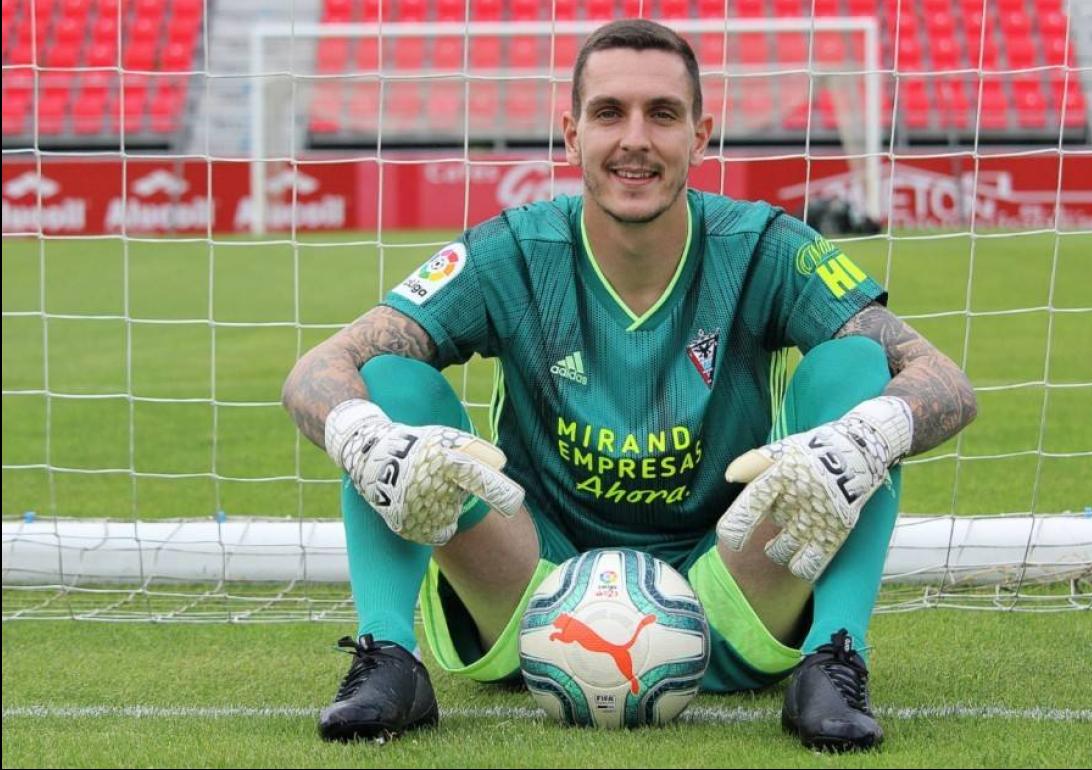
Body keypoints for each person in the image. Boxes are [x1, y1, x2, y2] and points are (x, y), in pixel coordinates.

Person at [282, 18, 976, 752]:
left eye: (663, 115)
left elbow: (944, 382)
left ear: (701, 135)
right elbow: (319, 370)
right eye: (609, 113)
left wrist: (871, 435)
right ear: (571, 133)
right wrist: (366, 438)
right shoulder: (511, 251)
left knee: (859, 373)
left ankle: (834, 658)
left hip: (730, 589)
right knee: (387, 381)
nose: (635, 138)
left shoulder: (765, 246)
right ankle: (388, 654)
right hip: (531, 595)